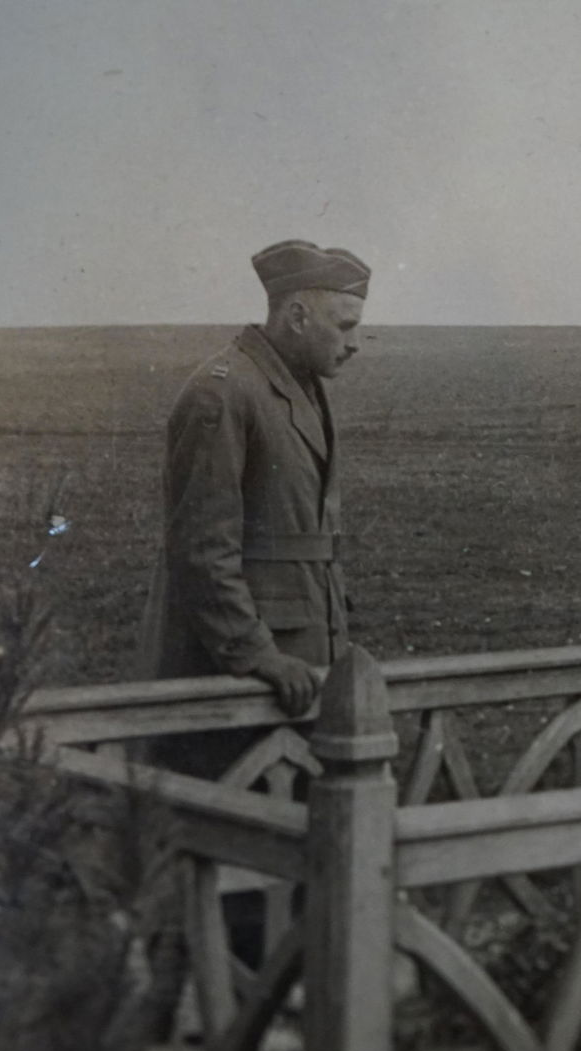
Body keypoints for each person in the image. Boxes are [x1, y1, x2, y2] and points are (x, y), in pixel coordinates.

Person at [137, 239, 368, 776]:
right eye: (345, 325)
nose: (355, 343)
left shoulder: (298, 385)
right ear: (296, 316)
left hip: (301, 654)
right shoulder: (222, 393)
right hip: (241, 666)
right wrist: (255, 653)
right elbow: (201, 548)